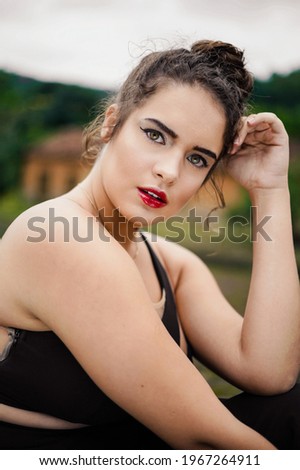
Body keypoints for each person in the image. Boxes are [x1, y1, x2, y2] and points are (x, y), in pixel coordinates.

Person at [0, 39, 299, 450]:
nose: (169, 171)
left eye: (197, 158)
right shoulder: (57, 234)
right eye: (156, 135)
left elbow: (270, 372)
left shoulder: (172, 265)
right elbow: (205, 440)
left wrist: (270, 189)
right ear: (111, 124)